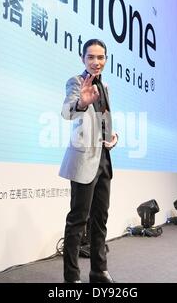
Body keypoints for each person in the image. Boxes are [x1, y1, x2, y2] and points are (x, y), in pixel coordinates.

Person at [59, 39, 118, 283]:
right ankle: (72, 277)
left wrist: (113, 137)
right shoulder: (76, 82)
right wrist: (82, 102)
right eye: (91, 57)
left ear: (106, 59)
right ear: (83, 58)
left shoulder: (105, 86)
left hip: (104, 159)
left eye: (100, 57)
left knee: (100, 219)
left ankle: (98, 271)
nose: (96, 62)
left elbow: (103, 120)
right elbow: (67, 111)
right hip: (84, 160)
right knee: (77, 221)